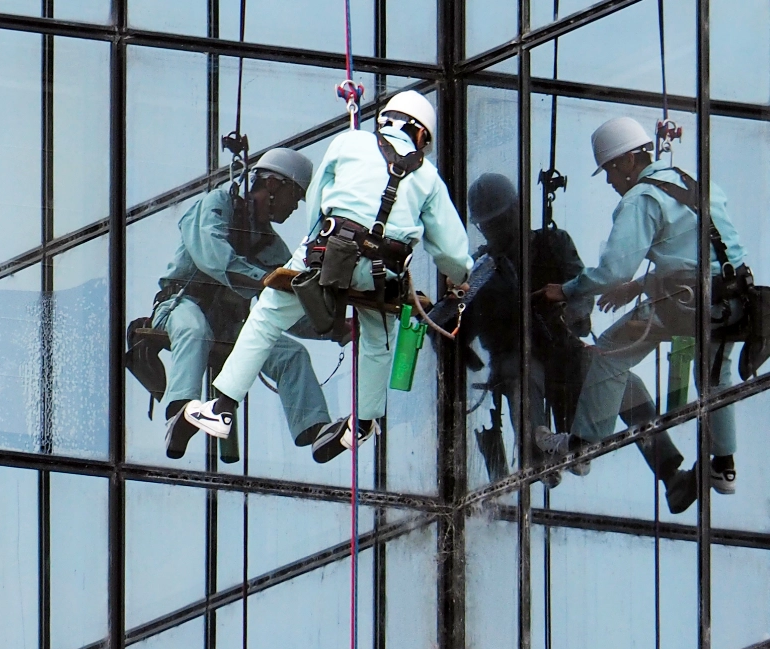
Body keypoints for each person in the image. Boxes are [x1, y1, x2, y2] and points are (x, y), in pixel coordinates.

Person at [183, 90, 473, 463]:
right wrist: (459, 276)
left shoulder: (350, 141)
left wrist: (311, 251)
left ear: (385, 121)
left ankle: (222, 406)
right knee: (377, 340)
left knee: (269, 313)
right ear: (421, 137)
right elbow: (450, 251)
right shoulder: (429, 178)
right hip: (383, 273)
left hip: (330, 253)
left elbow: (318, 202)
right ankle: (364, 423)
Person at [533, 116, 747, 498]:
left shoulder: (641, 198)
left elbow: (613, 270)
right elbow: (702, 254)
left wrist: (566, 290)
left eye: (610, 172)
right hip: (735, 296)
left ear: (626, 161)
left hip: (686, 301)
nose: (612, 183)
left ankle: (581, 446)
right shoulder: (695, 182)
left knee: (612, 352)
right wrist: (642, 285)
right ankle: (723, 467)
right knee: (716, 377)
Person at [463, 175, 697, 510]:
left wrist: (571, 314)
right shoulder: (481, 271)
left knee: (624, 383)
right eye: (491, 224)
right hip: (516, 361)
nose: (498, 229)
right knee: (523, 379)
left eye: (502, 219)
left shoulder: (550, 243)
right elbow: (457, 329)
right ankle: (536, 458)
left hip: (563, 350)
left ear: (517, 211)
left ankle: (670, 474)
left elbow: (580, 288)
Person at [158, 148, 333, 458]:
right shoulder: (216, 206)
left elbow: (289, 304)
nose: (295, 206)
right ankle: (180, 413)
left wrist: (332, 326)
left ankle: (315, 428)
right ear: (275, 185)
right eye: (295, 195)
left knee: (291, 354)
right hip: (181, 306)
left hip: (228, 325)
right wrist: (264, 280)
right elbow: (213, 257)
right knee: (194, 328)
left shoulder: (268, 241)